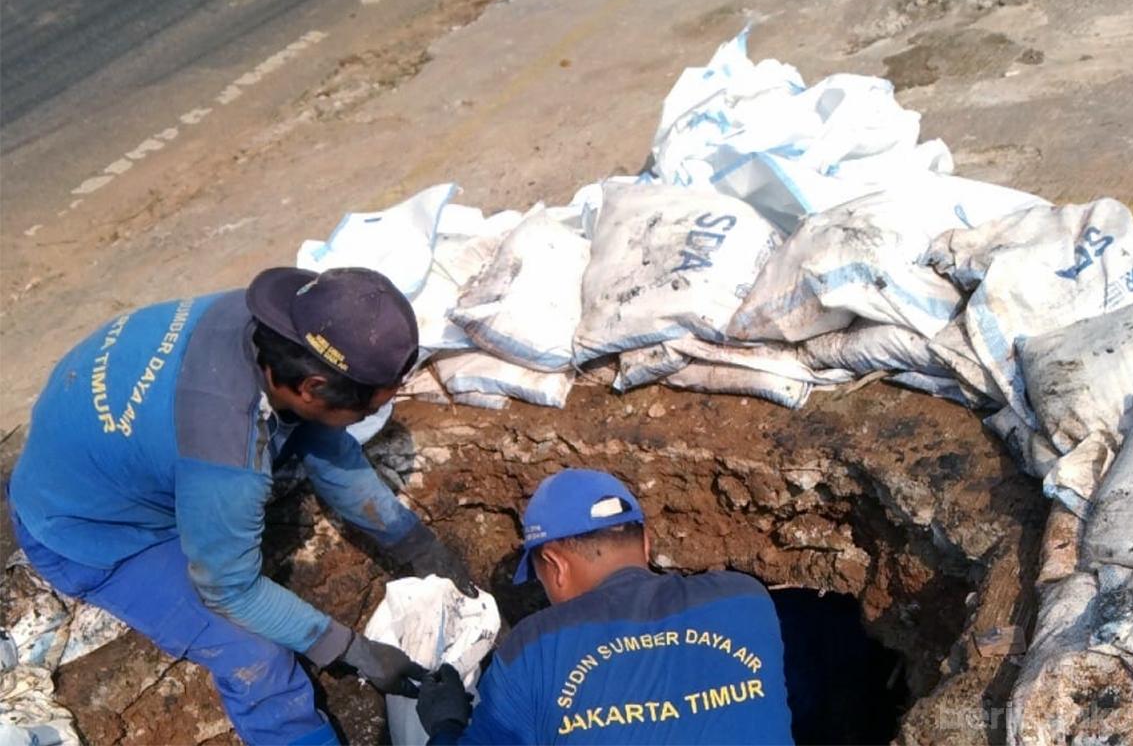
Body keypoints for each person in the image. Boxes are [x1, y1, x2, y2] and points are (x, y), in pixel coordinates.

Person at [7, 266, 476, 746]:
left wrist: (416, 545)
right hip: (90, 530)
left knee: (304, 434)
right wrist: (355, 651)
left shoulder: (279, 328)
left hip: (106, 446)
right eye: (366, 410)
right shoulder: (226, 455)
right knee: (259, 659)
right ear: (312, 387)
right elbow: (229, 590)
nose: (368, 418)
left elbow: (329, 447)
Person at [417, 469, 794, 744]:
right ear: (646, 543)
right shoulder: (747, 599)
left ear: (555, 565)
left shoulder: (533, 648)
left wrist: (445, 723)